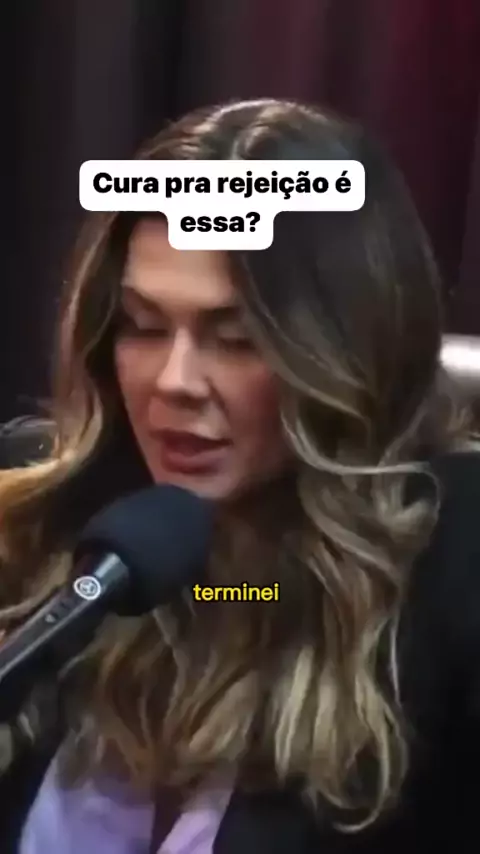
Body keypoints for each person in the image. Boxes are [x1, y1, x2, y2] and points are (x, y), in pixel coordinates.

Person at [0, 97, 478, 854]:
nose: (174, 382)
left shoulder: (449, 567)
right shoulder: (41, 516)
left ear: (346, 354)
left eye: (237, 338)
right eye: (143, 326)